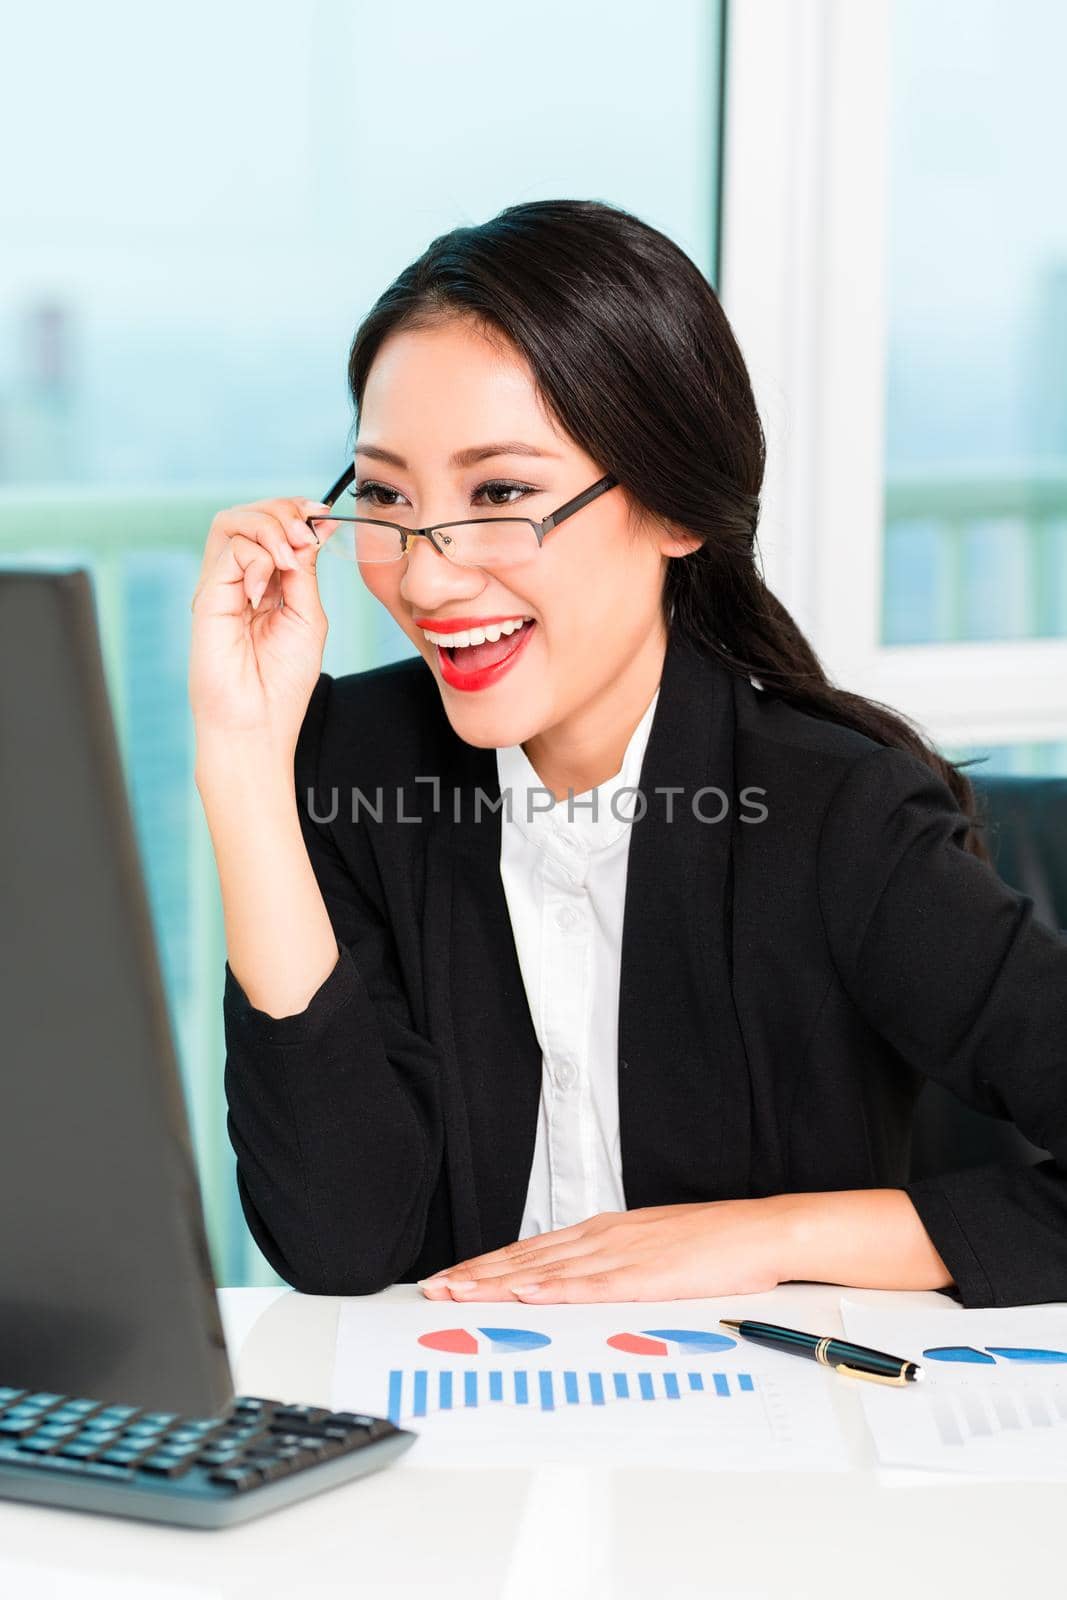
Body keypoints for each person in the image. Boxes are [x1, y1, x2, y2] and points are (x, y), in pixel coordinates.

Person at [190, 198, 1067, 1310]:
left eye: (500, 494)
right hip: (457, 1442)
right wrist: (242, 759)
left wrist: (771, 1236)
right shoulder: (352, 767)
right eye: (385, 497)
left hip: (766, 1441)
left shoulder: (835, 811)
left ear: (674, 508)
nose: (424, 578)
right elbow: (338, 1241)